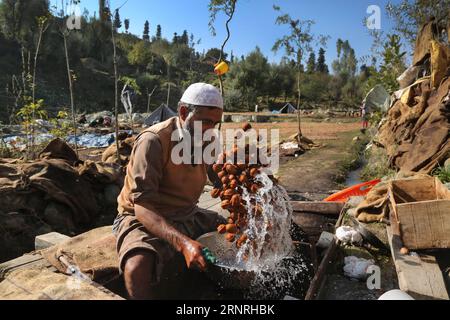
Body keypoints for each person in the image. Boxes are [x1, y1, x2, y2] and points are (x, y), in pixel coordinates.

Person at [112, 83, 226, 300]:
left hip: (187, 213)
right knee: (137, 268)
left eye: (215, 123)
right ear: (184, 113)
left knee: (232, 233)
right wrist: (183, 244)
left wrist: (248, 185)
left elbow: (218, 179)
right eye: (206, 122)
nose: (211, 128)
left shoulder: (208, 138)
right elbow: (143, 208)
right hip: (142, 216)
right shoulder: (153, 140)